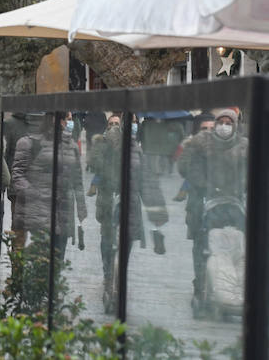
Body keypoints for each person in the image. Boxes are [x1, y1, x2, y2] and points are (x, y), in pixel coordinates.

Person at [88, 112, 168, 313]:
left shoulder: (138, 150)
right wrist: (112, 142)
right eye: (129, 122)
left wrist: (157, 215)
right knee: (108, 241)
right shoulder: (107, 142)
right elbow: (95, 163)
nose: (132, 125)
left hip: (130, 205)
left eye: (135, 122)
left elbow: (148, 184)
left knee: (126, 244)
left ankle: (118, 277)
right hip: (109, 202)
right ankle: (109, 277)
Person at [178, 107, 248, 317]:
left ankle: (238, 287)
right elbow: (190, 168)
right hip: (206, 199)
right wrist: (206, 185)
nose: (224, 126)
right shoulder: (202, 144)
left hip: (235, 200)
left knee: (238, 244)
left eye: (229, 122)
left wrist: (242, 186)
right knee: (204, 245)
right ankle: (201, 286)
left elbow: (249, 171)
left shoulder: (243, 147)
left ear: (235, 125)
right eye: (221, 122)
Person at [10, 113, 85, 261]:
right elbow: (17, 175)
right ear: (55, 120)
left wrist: (82, 208)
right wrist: (35, 195)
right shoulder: (31, 143)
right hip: (40, 211)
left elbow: (77, 180)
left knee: (58, 258)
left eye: (71, 120)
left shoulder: (72, 146)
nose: (69, 123)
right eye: (66, 119)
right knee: (43, 258)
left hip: (64, 212)